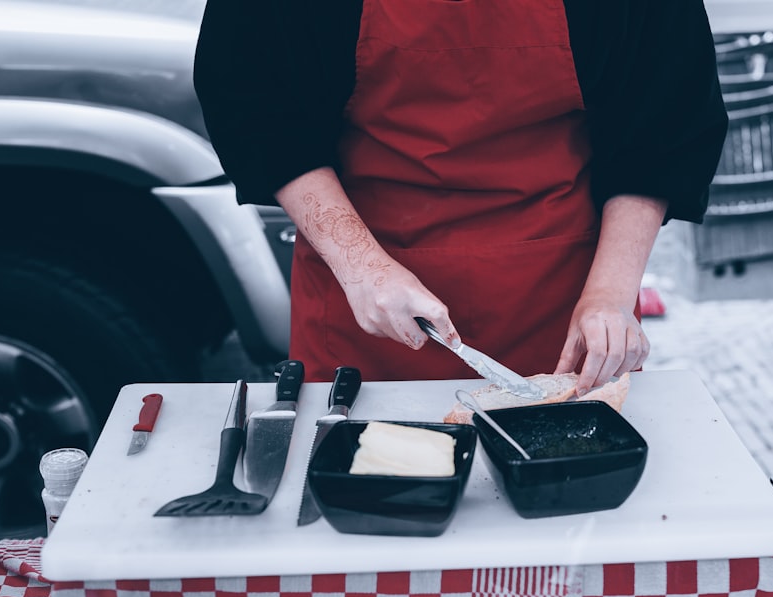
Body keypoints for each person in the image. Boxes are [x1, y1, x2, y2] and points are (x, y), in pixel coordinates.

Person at [193, 0, 728, 394]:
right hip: (368, 301)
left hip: (564, 303)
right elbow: (256, 105)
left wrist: (610, 295)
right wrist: (362, 268)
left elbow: (663, 120)